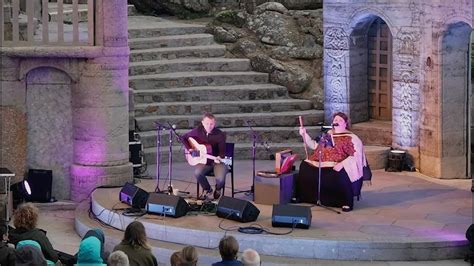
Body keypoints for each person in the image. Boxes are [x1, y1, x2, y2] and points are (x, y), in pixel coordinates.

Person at [297, 112, 367, 212]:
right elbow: (314, 145)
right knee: (304, 166)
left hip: (337, 164)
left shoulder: (352, 137)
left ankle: (346, 202)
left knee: (340, 174)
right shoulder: (327, 134)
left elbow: (356, 156)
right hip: (319, 161)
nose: (336, 122)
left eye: (340, 120)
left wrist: (342, 164)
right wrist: (304, 134)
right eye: (335, 120)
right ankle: (304, 197)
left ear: (345, 123)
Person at [181, 112, 228, 200]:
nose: (209, 126)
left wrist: (219, 158)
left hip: (217, 161)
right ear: (202, 123)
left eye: (212, 124)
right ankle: (208, 189)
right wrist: (190, 149)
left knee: (220, 179)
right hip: (204, 161)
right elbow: (183, 138)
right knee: (197, 173)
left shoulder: (220, 135)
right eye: (207, 123)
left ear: (215, 123)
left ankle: (218, 189)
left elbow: (222, 153)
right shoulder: (198, 131)